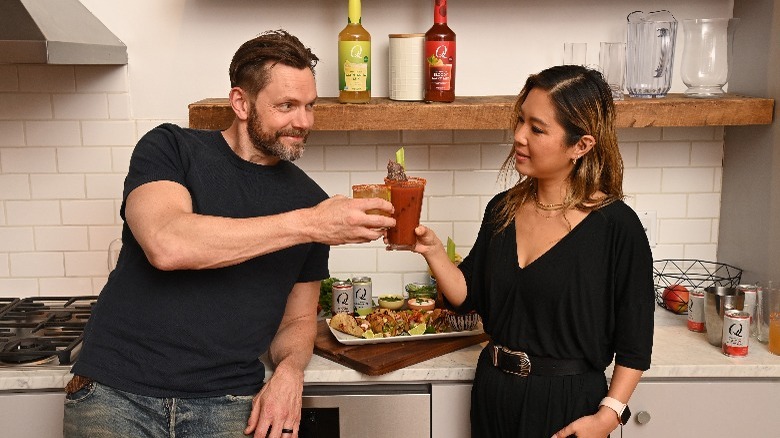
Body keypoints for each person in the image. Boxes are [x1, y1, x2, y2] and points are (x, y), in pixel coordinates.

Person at [63, 29, 394, 438]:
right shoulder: (171, 148)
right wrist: (309, 223)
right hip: (116, 394)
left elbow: (299, 318)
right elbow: (167, 243)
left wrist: (290, 373)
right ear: (241, 102)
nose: (303, 122)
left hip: (226, 404)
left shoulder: (309, 199)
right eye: (287, 106)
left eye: (309, 106)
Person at [411, 65, 654, 438]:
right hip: (494, 392)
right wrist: (434, 252)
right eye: (521, 121)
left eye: (537, 129)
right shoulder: (502, 209)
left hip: (568, 405)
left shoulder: (617, 227)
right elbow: (467, 297)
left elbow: (635, 343)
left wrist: (609, 415)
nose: (519, 136)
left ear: (581, 145)